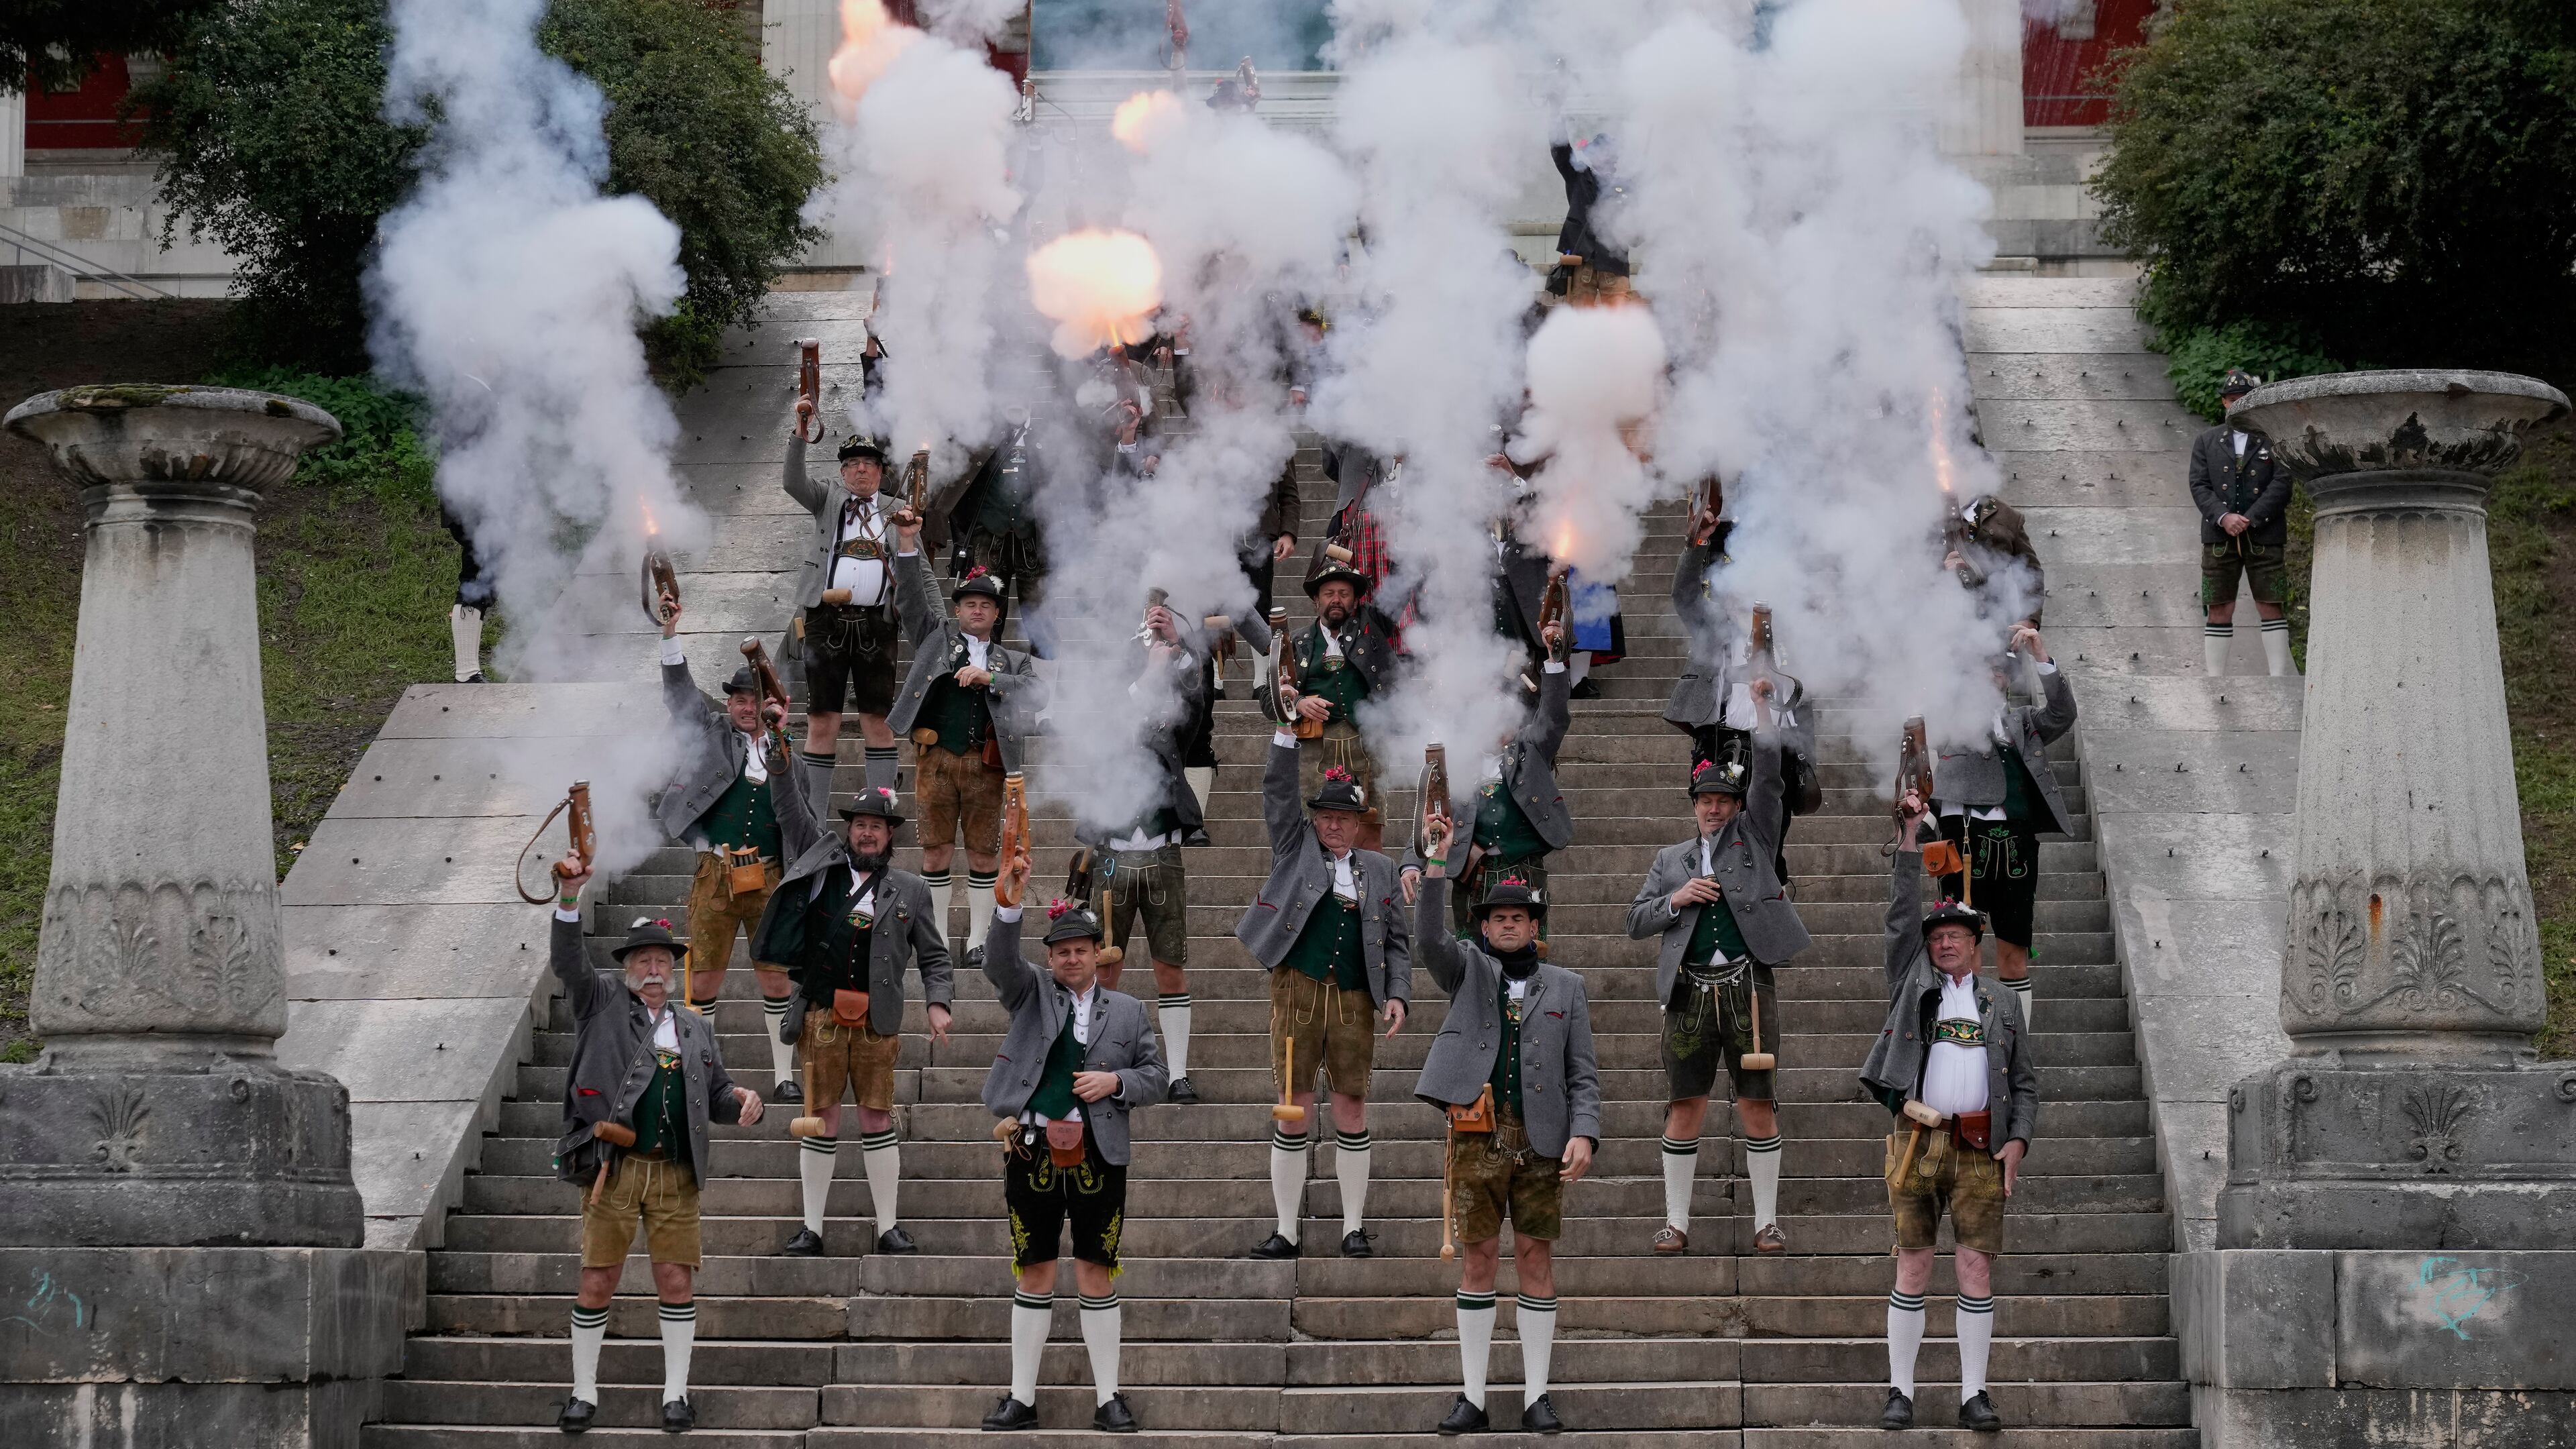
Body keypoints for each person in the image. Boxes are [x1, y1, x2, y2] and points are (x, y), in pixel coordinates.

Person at [544, 867, 764, 1434]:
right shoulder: (599, 1003)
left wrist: (740, 1099)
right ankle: (583, 1393)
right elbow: (568, 958)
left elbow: (715, 1094)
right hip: (612, 1171)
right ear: (627, 968)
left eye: (663, 961)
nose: (653, 970)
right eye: (643, 960)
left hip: (676, 1173)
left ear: (676, 969)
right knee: (597, 1280)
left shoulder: (695, 1028)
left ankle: (676, 1394)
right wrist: (570, 896)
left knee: (676, 1282)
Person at [1862, 786, 2040, 1434]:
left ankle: (1973, 1393)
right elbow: (1900, 914)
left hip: (1979, 1147)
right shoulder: (1911, 980)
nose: (1945, 945)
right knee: (1912, 1261)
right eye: (1938, 937)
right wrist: (1911, 837)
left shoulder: (2000, 1003)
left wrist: (2017, 1141)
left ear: (1974, 942)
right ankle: (1900, 1390)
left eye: (1957, 936)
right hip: (1916, 1138)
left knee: (1974, 1265)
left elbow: (2026, 1083)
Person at [1411, 851, 1600, 1437]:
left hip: (1544, 1140)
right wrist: (1436, 871)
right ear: (1484, 927)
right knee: (1478, 1260)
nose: (1508, 925)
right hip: (1477, 1135)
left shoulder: (1569, 986)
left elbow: (1584, 1074)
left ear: (1535, 926)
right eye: (1497, 918)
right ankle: (1472, 1396)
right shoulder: (1466, 968)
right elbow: (1428, 943)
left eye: (1519, 917)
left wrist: (1585, 1133)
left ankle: (1536, 1394)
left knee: (1536, 1261)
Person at [976, 862, 1169, 1434]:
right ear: (1052, 958)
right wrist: (1008, 905)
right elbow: (998, 963)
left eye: (1080, 950)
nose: (1070, 960)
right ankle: (1021, 1397)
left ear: (1096, 953)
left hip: (1099, 1151)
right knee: (1033, 1270)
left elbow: (1158, 1077)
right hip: (1031, 1148)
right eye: (1060, 952)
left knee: (1096, 1268)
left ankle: (1109, 1397)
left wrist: (1117, 1083)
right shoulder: (1031, 990)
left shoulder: (1131, 1012)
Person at [1625, 680, 1811, 1255]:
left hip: (1748, 985)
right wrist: (1676, 900)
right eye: (1705, 800)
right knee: (1685, 1105)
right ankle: (1675, 1222)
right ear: (1693, 804)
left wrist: (1759, 711)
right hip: (1687, 992)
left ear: (1735, 806)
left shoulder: (1755, 834)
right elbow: (1635, 921)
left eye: (1723, 800)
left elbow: (1772, 780)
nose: (1713, 808)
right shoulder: (1669, 861)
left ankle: (1766, 1222)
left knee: (1757, 1102)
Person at [749, 773, 953, 1258]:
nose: (866, 833)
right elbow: (790, 809)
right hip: (820, 1015)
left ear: (890, 836)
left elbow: (935, 957)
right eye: (860, 824)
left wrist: (938, 1002)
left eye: (876, 827)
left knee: (877, 1117)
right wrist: (780, 758)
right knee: (820, 1118)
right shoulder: (819, 869)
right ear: (849, 830)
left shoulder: (912, 889)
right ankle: (811, 1229)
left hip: (877, 1023)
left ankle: (888, 1228)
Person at [1236, 728, 1411, 1261]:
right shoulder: (1295, 849)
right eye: (1327, 817)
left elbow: (1399, 943)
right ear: (1316, 820)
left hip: (1355, 1001)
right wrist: (1286, 734)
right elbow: (1277, 793)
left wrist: (1398, 994)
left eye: (1344, 818)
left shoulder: (1380, 870)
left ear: (1361, 824)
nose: (1334, 825)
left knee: (1351, 1110)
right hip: (1297, 992)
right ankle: (1286, 1231)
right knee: (1292, 1109)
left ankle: (1352, 1228)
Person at [652, 598, 802, 1099]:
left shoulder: (786, 753)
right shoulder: (713, 732)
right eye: (737, 698)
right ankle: (702, 1077)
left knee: (777, 981)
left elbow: (803, 817)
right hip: (715, 874)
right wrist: (671, 636)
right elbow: (681, 701)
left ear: (770, 704)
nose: (743, 706)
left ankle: (784, 1077)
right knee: (705, 981)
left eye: (752, 699)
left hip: (770, 877)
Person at [1080, 594, 1222, 1103]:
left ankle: (1177, 1071)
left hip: (1162, 852)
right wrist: (1148, 668)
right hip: (1113, 852)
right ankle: (1102, 1061)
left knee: (1170, 964)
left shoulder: (1169, 704)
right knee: (1107, 964)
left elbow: (1197, 703)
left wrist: (1179, 646)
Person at [889, 508, 1046, 961]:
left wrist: (990, 681)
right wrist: (906, 543)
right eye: (969, 604)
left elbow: (1035, 695)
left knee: (982, 855)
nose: (977, 610)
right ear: (957, 610)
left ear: (997, 614)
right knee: (935, 853)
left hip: (987, 764)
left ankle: (978, 941)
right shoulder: (934, 638)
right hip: (935, 759)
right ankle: (935, 942)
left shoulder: (1012, 661)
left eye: (986, 605)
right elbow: (911, 601)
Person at [1663, 499, 1823, 887]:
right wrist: (1696, 545)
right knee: (1717, 837)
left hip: (1778, 746)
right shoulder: (1712, 623)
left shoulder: (1795, 629)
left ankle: (1769, 904)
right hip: (1722, 742)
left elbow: (1808, 693)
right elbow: (1684, 595)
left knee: (1771, 840)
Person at [1929, 624, 2078, 1030]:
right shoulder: (1948, 721)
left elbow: (2063, 713)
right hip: (1964, 846)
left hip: (2016, 846)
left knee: (2014, 951)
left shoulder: (2023, 721)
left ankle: (2017, 1044)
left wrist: (2041, 656)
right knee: (1965, 949)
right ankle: (1967, 1035)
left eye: (1999, 669)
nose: (1991, 676)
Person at [1400, 623, 1572, 939]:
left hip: (1524, 869)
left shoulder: (1531, 748)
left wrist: (1555, 659)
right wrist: (1413, 862)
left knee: (1530, 958)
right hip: (1471, 874)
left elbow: (1555, 716)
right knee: (1470, 962)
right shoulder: (1453, 761)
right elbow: (1432, 816)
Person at [784, 424, 905, 797]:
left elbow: (920, 573)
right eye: (852, 463)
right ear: (842, 472)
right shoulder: (827, 500)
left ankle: (880, 813)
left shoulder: (898, 511)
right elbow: (792, 481)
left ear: (881, 473)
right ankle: (813, 821)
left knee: (879, 720)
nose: (861, 470)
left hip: (877, 626)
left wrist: (936, 622)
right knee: (821, 721)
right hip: (825, 624)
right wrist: (799, 434)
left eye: (869, 463)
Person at [1277, 557, 1401, 854]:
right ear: (1315, 601)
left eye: (1344, 594)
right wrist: (1300, 701)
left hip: (1368, 743)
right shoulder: (1298, 642)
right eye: (1329, 593)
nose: (1336, 600)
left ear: (1355, 600)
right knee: (1315, 833)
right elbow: (1271, 700)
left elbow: (1399, 590)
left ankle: (1369, 897)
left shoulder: (1372, 629)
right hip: (1315, 748)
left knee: (1369, 834)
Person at [2189, 368, 2295, 676]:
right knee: (2218, 606)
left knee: (2271, 604)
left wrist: (2250, 518)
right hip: (2218, 535)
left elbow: (2283, 483)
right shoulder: (2207, 441)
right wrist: (2224, 517)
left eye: (2244, 399)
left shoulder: (2273, 438)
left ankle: (2279, 677)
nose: (2238, 404)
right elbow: (2199, 485)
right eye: (2233, 399)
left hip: (2265, 533)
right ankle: (2215, 678)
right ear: (2224, 402)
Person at [441, 503, 492, 684]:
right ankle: (466, 673)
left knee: (484, 583)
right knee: (477, 582)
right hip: (474, 508)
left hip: (477, 508)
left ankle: (468, 672)